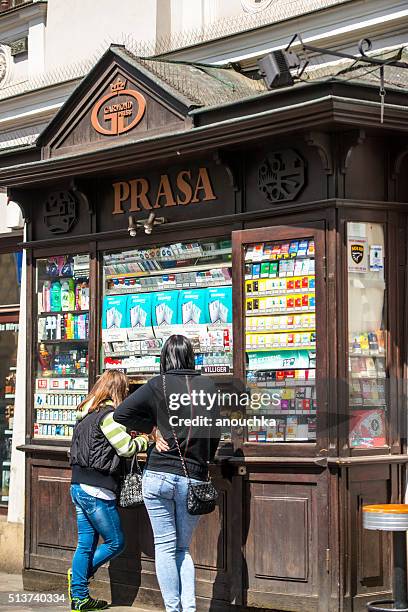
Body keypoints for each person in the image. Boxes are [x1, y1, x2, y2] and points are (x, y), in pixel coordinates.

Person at [114, 334, 220, 612]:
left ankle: (173, 609)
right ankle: (189, 609)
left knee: (164, 547)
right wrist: (202, 460)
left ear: (164, 358)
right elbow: (215, 435)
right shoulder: (208, 387)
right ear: (190, 356)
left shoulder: (157, 384)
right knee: (182, 549)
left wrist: (151, 430)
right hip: (192, 478)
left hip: (158, 474)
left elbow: (120, 414)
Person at [68, 370, 149, 612]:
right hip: (97, 490)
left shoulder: (84, 414)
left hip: (78, 486)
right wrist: (147, 440)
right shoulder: (109, 416)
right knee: (116, 542)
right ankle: (78, 578)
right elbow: (125, 448)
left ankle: (80, 599)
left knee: (85, 543)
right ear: (118, 390)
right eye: (125, 390)